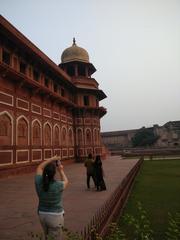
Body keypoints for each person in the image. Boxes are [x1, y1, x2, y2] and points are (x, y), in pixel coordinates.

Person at [35, 155, 68, 240]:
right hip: (55, 216)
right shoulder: (58, 185)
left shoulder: (39, 182)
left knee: (47, 236)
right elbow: (66, 181)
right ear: (54, 173)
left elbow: (40, 167)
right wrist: (61, 170)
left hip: (42, 214)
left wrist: (52, 159)